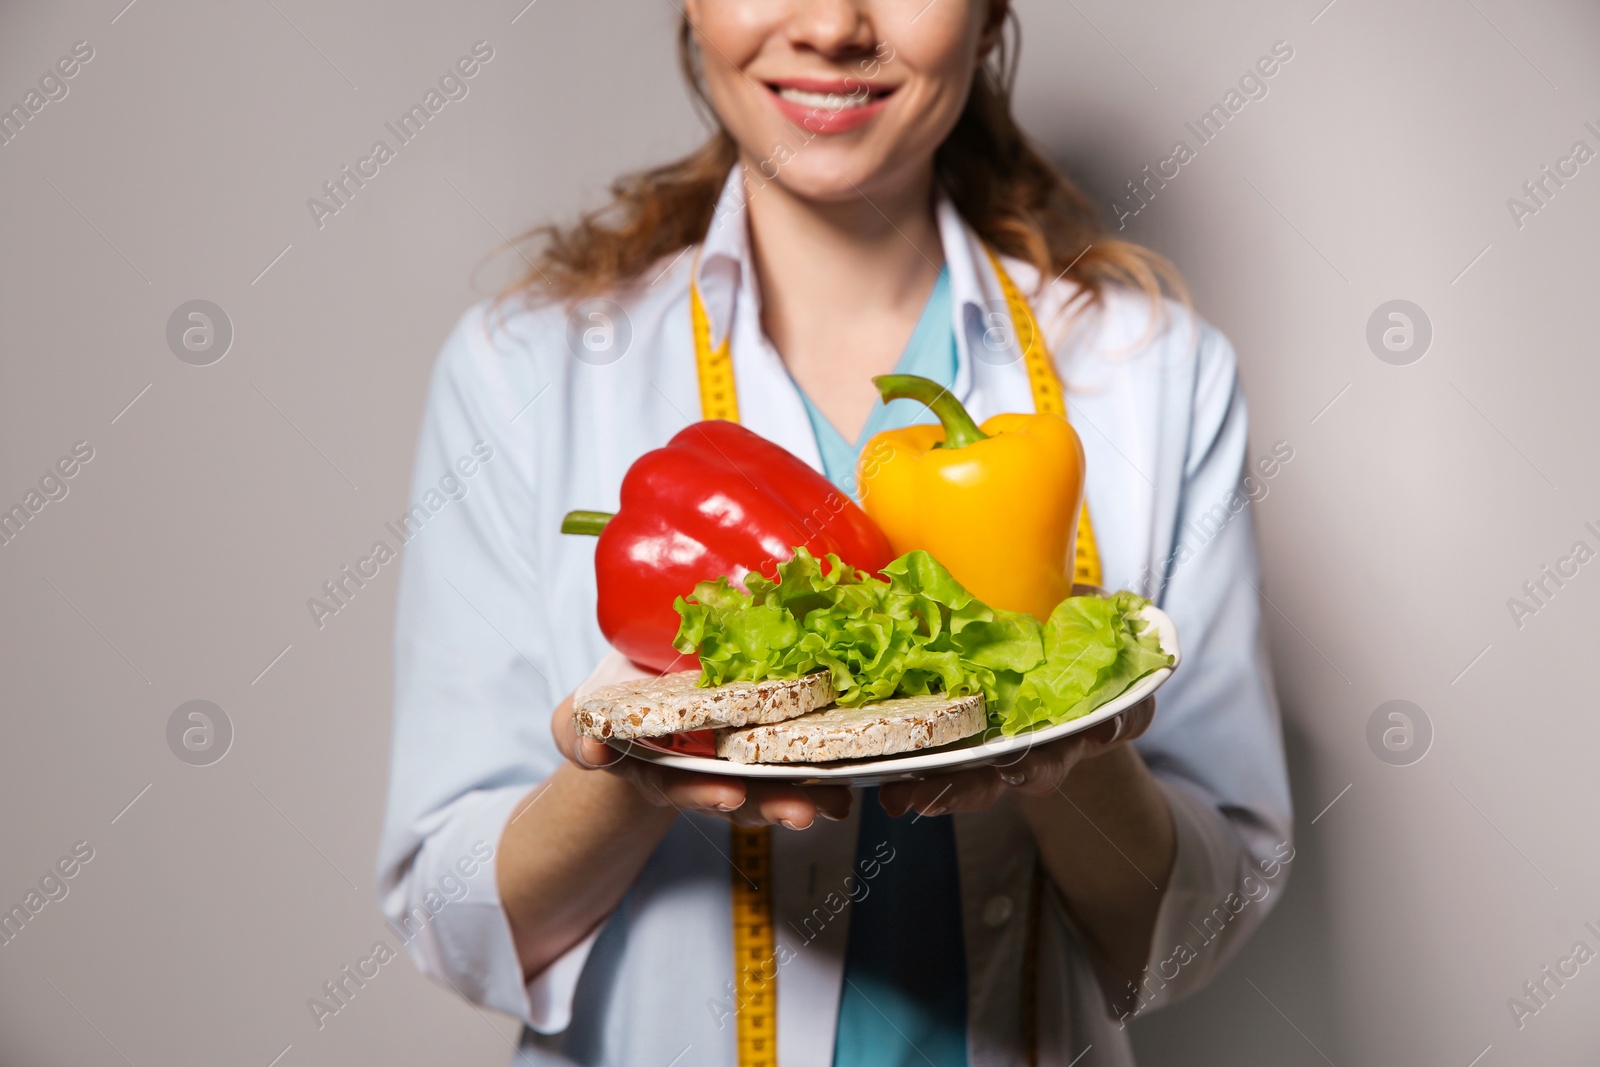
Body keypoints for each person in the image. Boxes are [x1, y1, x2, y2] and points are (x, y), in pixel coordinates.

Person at [376, 1, 1292, 1064]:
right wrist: (626, 765)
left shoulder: (1155, 376)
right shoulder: (521, 373)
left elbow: (1193, 938)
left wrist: (1065, 754)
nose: (829, 24)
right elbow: (451, 919)